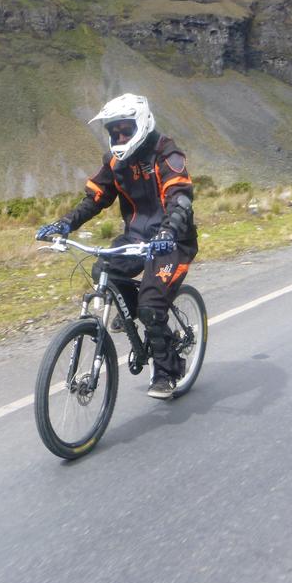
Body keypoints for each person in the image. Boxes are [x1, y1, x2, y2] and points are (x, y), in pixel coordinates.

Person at [36, 93, 198, 399]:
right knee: (103, 270)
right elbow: (94, 199)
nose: (119, 136)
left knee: (151, 307)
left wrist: (168, 232)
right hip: (137, 238)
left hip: (172, 241)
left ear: (141, 124)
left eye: (125, 130)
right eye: (113, 132)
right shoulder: (114, 162)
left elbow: (180, 200)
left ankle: (167, 370)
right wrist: (65, 224)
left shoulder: (165, 152)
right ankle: (142, 313)